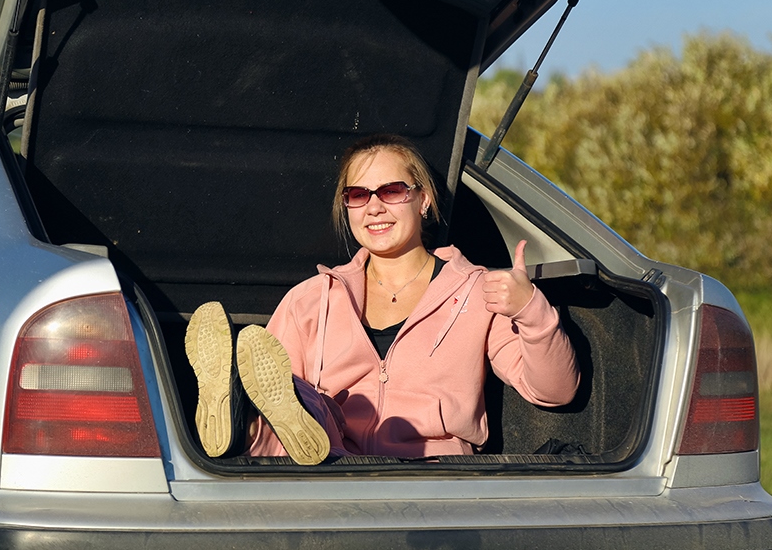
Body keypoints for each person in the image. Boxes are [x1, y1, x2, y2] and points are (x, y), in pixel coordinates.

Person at [185, 134, 580, 465]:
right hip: (333, 466)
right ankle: (242, 420)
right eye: (358, 195)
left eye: (391, 191)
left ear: (423, 200)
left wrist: (530, 309)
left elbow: (555, 391)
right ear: (347, 206)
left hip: (435, 475)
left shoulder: (477, 292)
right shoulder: (311, 299)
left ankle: (244, 423)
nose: (374, 207)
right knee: (299, 400)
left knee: (299, 409)